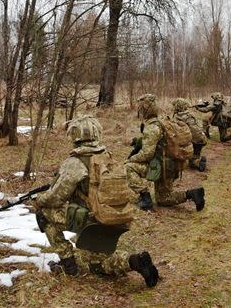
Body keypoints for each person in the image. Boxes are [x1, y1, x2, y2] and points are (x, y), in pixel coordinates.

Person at [33, 115, 158, 286]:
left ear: (75, 135)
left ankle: (69, 266)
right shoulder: (107, 155)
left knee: (44, 214)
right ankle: (135, 261)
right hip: (117, 217)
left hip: (94, 220)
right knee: (98, 265)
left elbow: (56, 198)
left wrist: (39, 200)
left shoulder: (75, 162)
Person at [127, 94, 205, 211]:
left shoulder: (152, 127)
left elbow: (147, 154)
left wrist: (131, 159)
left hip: (162, 167)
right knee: (163, 199)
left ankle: (145, 198)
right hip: (172, 165)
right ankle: (192, 194)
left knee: (129, 167)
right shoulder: (162, 122)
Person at [172, 98, 207, 172]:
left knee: (190, 161)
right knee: (195, 154)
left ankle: (196, 162)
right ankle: (197, 159)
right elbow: (196, 129)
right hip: (199, 139)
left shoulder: (176, 117)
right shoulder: (190, 115)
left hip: (190, 142)